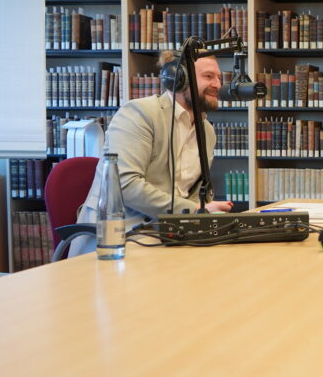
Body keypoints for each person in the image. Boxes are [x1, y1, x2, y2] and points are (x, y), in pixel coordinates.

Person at [69, 51, 233, 256]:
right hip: (118, 237)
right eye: (208, 76)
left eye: (219, 78)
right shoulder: (139, 114)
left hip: (168, 233)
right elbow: (124, 185)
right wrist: (193, 211)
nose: (217, 85)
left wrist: (204, 209)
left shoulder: (206, 131)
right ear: (177, 78)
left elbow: (194, 192)